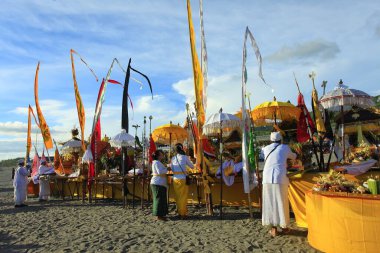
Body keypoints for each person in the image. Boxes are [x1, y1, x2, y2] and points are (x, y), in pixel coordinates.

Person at [262, 132, 296, 237]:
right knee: (282, 202)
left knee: (270, 203)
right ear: (280, 140)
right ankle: (284, 227)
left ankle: (273, 229)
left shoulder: (265, 148)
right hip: (279, 177)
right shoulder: (284, 147)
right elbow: (294, 156)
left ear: (271, 140)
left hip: (267, 177)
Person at [170, 143, 194, 219]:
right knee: (183, 197)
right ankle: (182, 213)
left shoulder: (173, 158)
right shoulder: (185, 157)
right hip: (183, 178)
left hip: (175, 179)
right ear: (182, 149)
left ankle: (180, 211)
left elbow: (172, 169)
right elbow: (192, 166)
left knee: (178, 196)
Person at [150, 150, 168, 221]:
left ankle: (160, 214)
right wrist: (167, 168)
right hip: (157, 183)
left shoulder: (157, 162)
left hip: (159, 182)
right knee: (159, 199)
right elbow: (160, 172)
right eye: (161, 154)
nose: (162, 155)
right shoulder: (157, 162)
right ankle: (158, 215)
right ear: (158, 156)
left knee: (160, 199)